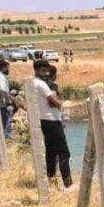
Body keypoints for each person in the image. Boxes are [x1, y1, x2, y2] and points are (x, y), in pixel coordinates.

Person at [32, 61, 75, 191]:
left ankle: (50, 180)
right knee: (64, 152)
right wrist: (66, 104)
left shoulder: (33, 83)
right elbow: (54, 103)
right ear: (37, 70)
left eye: (48, 71)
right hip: (51, 120)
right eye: (44, 71)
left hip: (44, 120)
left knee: (50, 152)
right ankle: (68, 184)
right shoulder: (41, 85)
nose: (46, 74)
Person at [0, 60, 16, 139]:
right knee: (8, 120)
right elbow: (3, 89)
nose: (8, 69)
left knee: (3, 120)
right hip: (3, 103)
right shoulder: (1, 77)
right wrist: (8, 101)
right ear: (3, 68)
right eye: (7, 67)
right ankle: (7, 137)